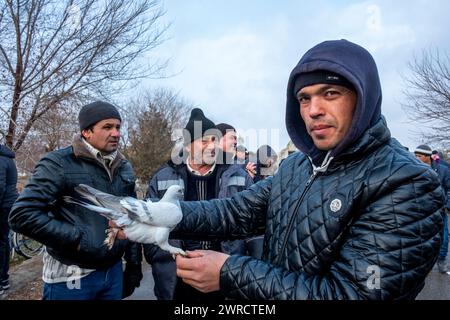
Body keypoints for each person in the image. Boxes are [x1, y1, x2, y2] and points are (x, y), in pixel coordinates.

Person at [167, 39, 445, 299]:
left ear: (363, 98)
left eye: (331, 93)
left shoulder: (406, 183)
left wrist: (230, 273)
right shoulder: (297, 166)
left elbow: (352, 293)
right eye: (304, 98)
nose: (313, 110)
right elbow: (235, 212)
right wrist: (156, 213)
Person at [9, 101, 142, 300]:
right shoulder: (58, 163)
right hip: (71, 276)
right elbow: (22, 215)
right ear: (86, 132)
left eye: (117, 127)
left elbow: (131, 218)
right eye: (107, 127)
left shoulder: (123, 166)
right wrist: (77, 238)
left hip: (113, 272)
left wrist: (134, 265)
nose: (116, 133)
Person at [142, 108, 253, 301]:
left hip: (225, 276)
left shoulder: (238, 176)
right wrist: (164, 262)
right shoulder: (162, 178)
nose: (212, 146)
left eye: (215, 140)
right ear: (187, 146)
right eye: (204, 141)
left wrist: (242, 267)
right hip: (178, 280)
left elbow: (254, 228)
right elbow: (149, 226)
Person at [415, 144, 450, 273]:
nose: (416, 158)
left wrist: (447, 205)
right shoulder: (413, 169)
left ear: (427, 156)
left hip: (440, 210)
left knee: (444, 237)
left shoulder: (443, 170)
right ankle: (423, 263)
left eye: (419, 156)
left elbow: (449, 188)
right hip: (420, 211)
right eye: (416, 155)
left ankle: (441, 260)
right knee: (421, 237)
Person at [0, 144, 18, 295]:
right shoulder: (6, 157)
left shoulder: (1, 159)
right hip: (7, 205)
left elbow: (0, 187)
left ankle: (1, 281)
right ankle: (3, 280)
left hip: (3, 206)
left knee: (1, 243)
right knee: (3, 241)